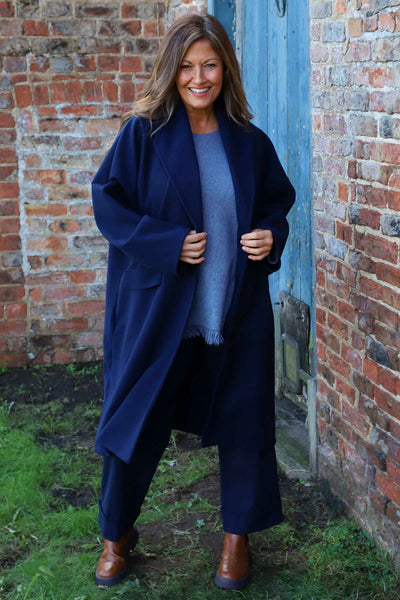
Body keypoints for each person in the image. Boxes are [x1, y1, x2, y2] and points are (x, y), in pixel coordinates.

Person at [91, 13, 295, 591]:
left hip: (235, 310)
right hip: (159, 312)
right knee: (135, 422)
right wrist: (167, 244)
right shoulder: (143, 136)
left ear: (225, 69)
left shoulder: (250, 143)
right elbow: (107, 205)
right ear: (171, 71)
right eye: (186, 66)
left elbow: (276, 204)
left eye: (209, 65)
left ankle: (236, 540)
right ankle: (115, 535)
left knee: (246, 423)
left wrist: (270, 236)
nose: (198, 78)